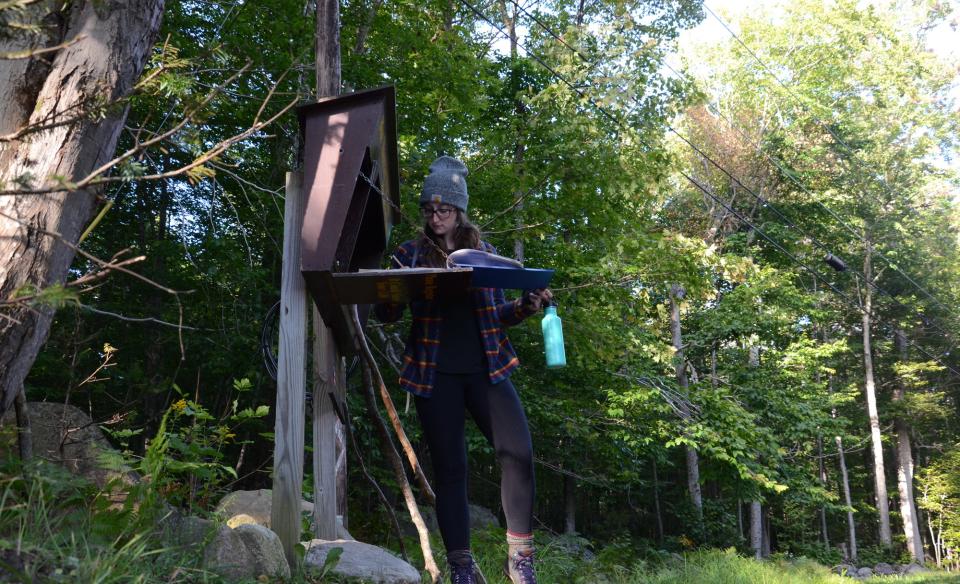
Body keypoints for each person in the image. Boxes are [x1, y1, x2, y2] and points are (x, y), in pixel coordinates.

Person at [375, 156, 551, 584]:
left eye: (445, 210)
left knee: (519, 455)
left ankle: (520, 560)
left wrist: (526, 307)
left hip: (487, 370)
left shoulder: (483, 253)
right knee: (451, 470)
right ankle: (461, 568)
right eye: (430, 211)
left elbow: (496, 315)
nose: (436, 218)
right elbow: (385, 311)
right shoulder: (408, 253)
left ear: (460, 211)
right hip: (434, 376)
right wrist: (397, 294)